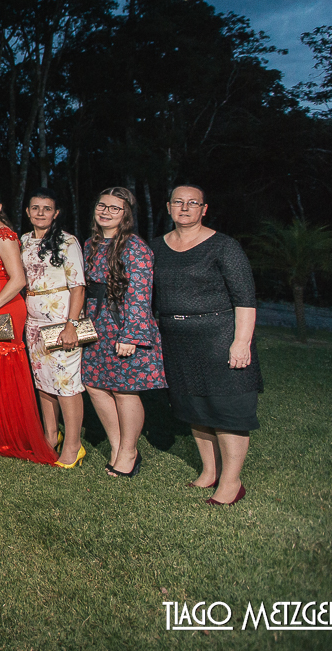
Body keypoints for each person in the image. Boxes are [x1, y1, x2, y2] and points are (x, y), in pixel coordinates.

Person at [152, 185, 260, 506]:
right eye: (178, 202)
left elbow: (245, 299)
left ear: (204, 208)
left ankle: (232, 482)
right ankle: (209, 472)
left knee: (228, 410)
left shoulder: (224, 246)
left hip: (219, 336)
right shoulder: (155, 247)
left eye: (192, 203)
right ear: (168, 207)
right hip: (176, 338)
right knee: (194, 408)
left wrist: (241, 342)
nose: (185, 208)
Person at [81, 186, 165, 478]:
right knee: (93, 384)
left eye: (114, 208)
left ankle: (129, 452)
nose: (106, 212)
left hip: (123, 323)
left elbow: (141, 293)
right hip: (95, 323)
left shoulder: (135, 247)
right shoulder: (89, 244)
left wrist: (132, 335)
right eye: (102, 206)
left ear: (126, 214)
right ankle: (117, 446)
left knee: (123, 390)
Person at [0, 188, 58, 465]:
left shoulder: (4, 235)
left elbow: (18, 279)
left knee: (5, 369)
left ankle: (14, 436)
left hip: (3, 308)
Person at [21, 188, 87, 468]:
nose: (40, 213)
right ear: (27, 211)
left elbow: (79, 286)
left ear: (56, 213)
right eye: (35, 208)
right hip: (33, 321)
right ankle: (50, 436)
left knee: (66, 383)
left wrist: (71, 325)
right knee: (43, 381)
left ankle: (74, 446)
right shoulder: (23, 241)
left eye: (46, 208)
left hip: (60, 321)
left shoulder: (67, 241)